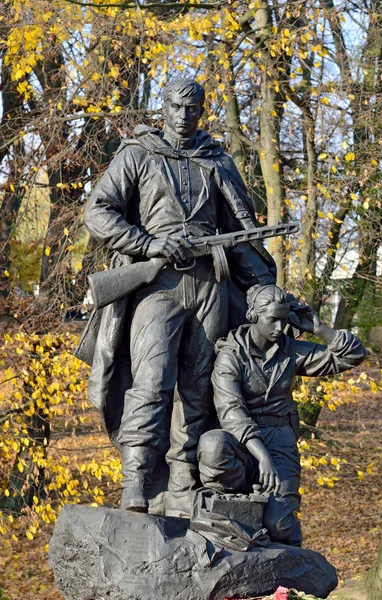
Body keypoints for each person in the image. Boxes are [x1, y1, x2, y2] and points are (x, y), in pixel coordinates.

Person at [76, 78, 279, 517]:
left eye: (193, 108)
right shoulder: (137, 154)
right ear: (162, 106)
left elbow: (243, 234)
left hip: (211, 284)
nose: (184, 116)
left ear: (202, 111)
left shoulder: (218, 161)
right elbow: (97, 212)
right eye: (176, 106)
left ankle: (184, 480)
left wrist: (263, 286)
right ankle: (136, 478)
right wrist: (147, 243)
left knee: (199, 388)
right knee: (150, 383)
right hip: (158, 286)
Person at [197, 284, 367, 545]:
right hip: (240, 441)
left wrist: (319, 329)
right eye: (273, 320)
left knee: (280, 528)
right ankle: (236, 498)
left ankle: (288, 576)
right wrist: (261, 456)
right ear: (253, 316)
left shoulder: (291, 351)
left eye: (284, 320)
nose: (279, 328)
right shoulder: (231, 356)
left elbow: (353, 355)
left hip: (279, 440)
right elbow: (231, 410)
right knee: (212, 445)